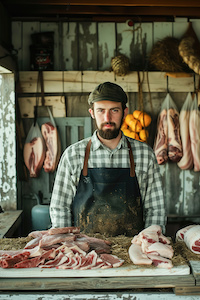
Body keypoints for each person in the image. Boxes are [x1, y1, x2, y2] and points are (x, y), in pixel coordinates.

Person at [50, 81, 166, 236]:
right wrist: (67, 247)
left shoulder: (145, 155)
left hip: (132, 249)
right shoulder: (73, 155)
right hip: (85, 251)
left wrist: (150, 244)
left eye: (114, 110)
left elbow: (155, 209)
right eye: (101, 111)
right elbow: (60, 208)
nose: (107, 117)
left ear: (124, 112)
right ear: (92, 113)